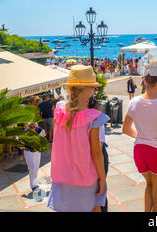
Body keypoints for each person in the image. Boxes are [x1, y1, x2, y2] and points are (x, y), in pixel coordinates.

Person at [47, 65, 110, 212]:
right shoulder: (92, 118)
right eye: (93, 87)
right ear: (88, 89)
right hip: (85, 179)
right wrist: (102, 178)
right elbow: (96, 153)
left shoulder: (59, 112)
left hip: (62, 177)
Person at [122, 61, 157, 212]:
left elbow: (125, 129)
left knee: (149, 186)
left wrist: (143, 136)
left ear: (144, 80)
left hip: (140, 151)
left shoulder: (134, 102)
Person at [20, 122, 46, 193]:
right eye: (30, 126)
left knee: (36, 168)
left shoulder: (39, 130)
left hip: (37, 152)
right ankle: (33, 185)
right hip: (28, 152)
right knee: (32, 167)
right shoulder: (25, 132)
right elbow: (20, 143)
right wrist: (20, 153)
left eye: (33, 126)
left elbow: (43, 139)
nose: (32, 127)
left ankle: (35, 183)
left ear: (36, 125)